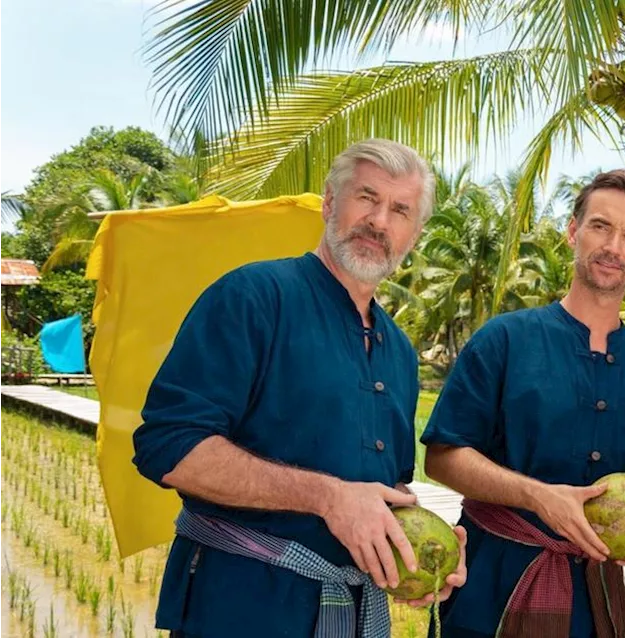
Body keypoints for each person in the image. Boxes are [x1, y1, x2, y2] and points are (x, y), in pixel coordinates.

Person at [132, 139, 467, 637]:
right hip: (240, 607)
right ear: (330, 202)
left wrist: (418, 547)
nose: (379, 221)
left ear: (414, 235)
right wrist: (329, 498)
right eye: (366, 198)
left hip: (350, 614)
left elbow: (383, 486)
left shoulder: (397, 350)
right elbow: (169, 447)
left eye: (400, 211)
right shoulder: (253, 297)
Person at [420, 169, 625, 638]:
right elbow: (442, 456)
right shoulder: (504, 340)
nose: (614, 246)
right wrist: (538, 496)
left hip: (597, 602)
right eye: (600, 226)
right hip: (494, 587)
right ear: (573, 231)